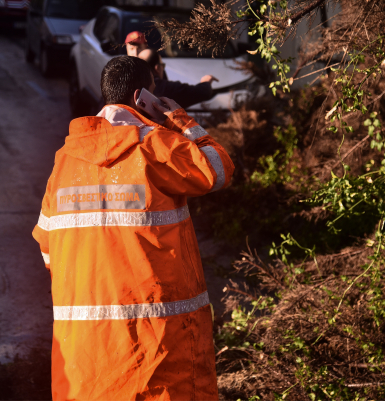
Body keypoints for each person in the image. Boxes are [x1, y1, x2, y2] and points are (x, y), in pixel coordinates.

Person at [32, 56, 235, 401]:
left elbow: (48, 249)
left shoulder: (65, 161)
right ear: (144, 97)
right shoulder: (156, 146)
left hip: (86, 356)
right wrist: (179, 119)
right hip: (155, 347)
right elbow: (217, 169)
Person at [138, 48, 219, 109]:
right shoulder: (165, 88)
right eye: (163, 66)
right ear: (158, 68)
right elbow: (200, 92)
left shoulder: (131, 86)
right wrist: (206, 82)